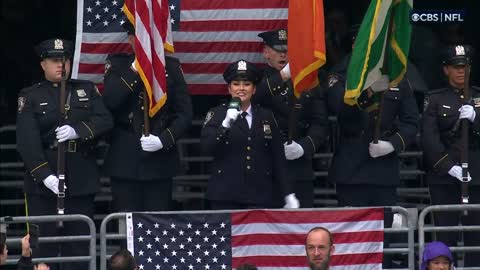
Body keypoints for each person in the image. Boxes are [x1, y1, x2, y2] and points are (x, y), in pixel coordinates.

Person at [16, 38, 113, 270]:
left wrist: (77, 131)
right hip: (44, 184)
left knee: (78, 247)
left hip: (79, 177)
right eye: (55, 60)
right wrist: (44, 175)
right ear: (43, 65)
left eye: (65, 60)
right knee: (43, 249)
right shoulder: (30, 96)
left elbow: (105, 120)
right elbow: (26, 142)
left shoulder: (86, 90)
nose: (61, 65)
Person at [102, 21, 193, 212]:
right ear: (130, 40)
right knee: (126, 222)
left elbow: (184, 114)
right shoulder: (118, 65)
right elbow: (110, 101)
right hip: (125, 156)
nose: (144, 42)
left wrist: (164, 140)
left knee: (157, 223)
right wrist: (134, 70)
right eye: (139, 37)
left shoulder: (171, 67)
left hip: (160, 156)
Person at [201, 59, 299, 209]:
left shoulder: (266, 116)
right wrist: (225, 125)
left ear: (254, 90)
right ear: (229, 88)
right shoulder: (217, 114)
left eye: (247, 84)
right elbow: (206, 148)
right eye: (236, 84)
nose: (241, 88)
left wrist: (288, 193)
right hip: (226, 196)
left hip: (260, 195)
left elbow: (278, 158)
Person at [253, 29, 328, 208]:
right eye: (279, 50)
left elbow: (320, 122)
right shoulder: (255, 79)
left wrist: (304, 147)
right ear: (266, 52)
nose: (284, 54)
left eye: (288, 50)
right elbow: (253, 98)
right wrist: (283, 77)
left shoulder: (309, 80)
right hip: (266, 166)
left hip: (298, 167)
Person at [422, 44, 480, 267]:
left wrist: (476, 120)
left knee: (476, 238)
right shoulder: (434, 99)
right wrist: (449, 167)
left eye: (464, 66)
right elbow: (429, 138)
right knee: (445, 238)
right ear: (446, 69)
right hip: (445, 179)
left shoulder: (477, 97)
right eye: (456, 67)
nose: (461, 71)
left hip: (475, 178)